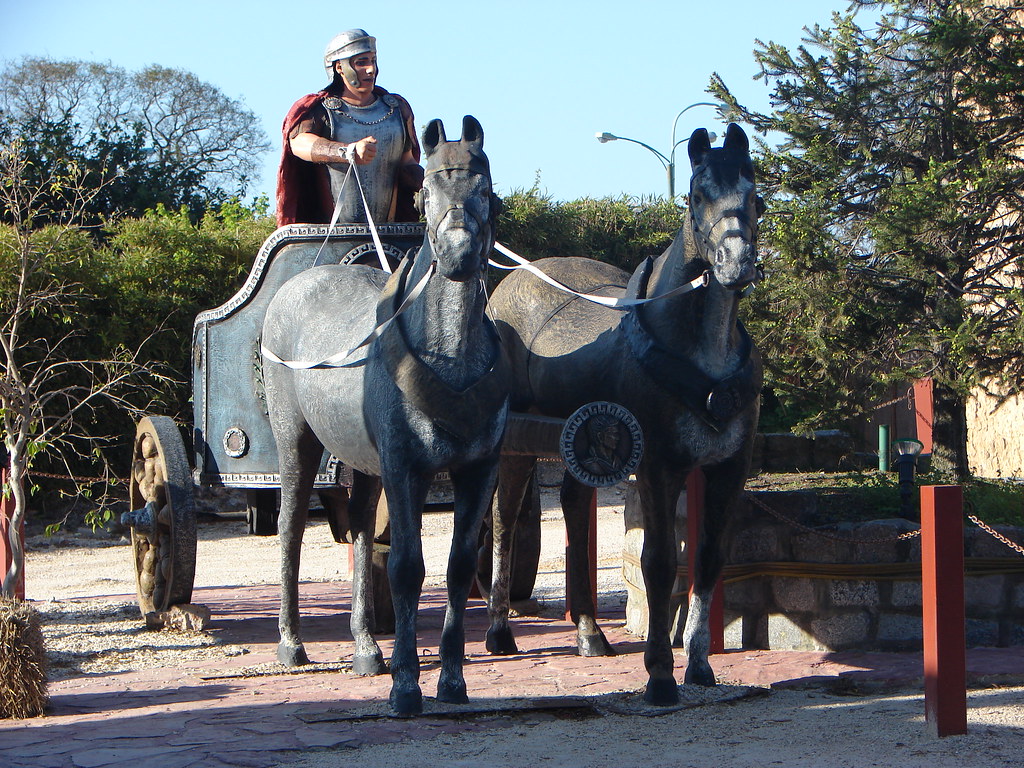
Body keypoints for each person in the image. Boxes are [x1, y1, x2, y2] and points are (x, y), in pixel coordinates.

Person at [276, 29, 423, 227]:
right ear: (340, 68)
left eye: (373, 60)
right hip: (330, 235)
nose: (371, 69)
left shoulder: (396, 109)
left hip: (389, 232)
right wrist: (348, 151)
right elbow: (299, 143)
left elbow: (406, 162)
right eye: (361, 62)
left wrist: (434, 182)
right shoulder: (319, 109)